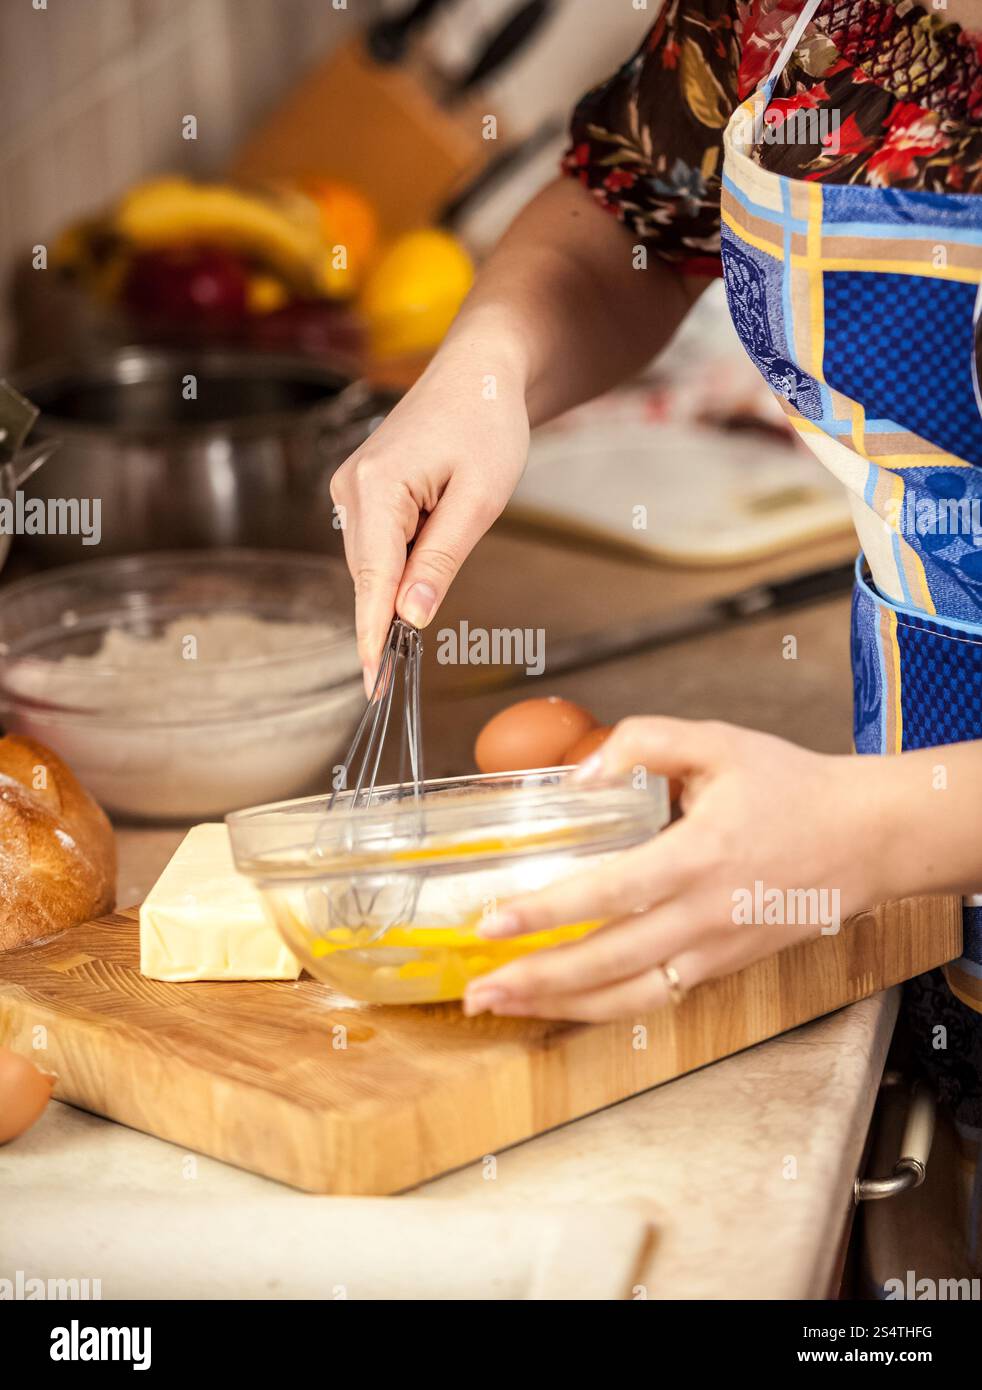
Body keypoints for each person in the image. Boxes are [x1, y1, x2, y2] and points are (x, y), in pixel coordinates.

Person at [332, 0, 982, 1273]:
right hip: (930, 936)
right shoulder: (803, 19)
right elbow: (630, 221)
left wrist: (869, 832)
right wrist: (487, 368)